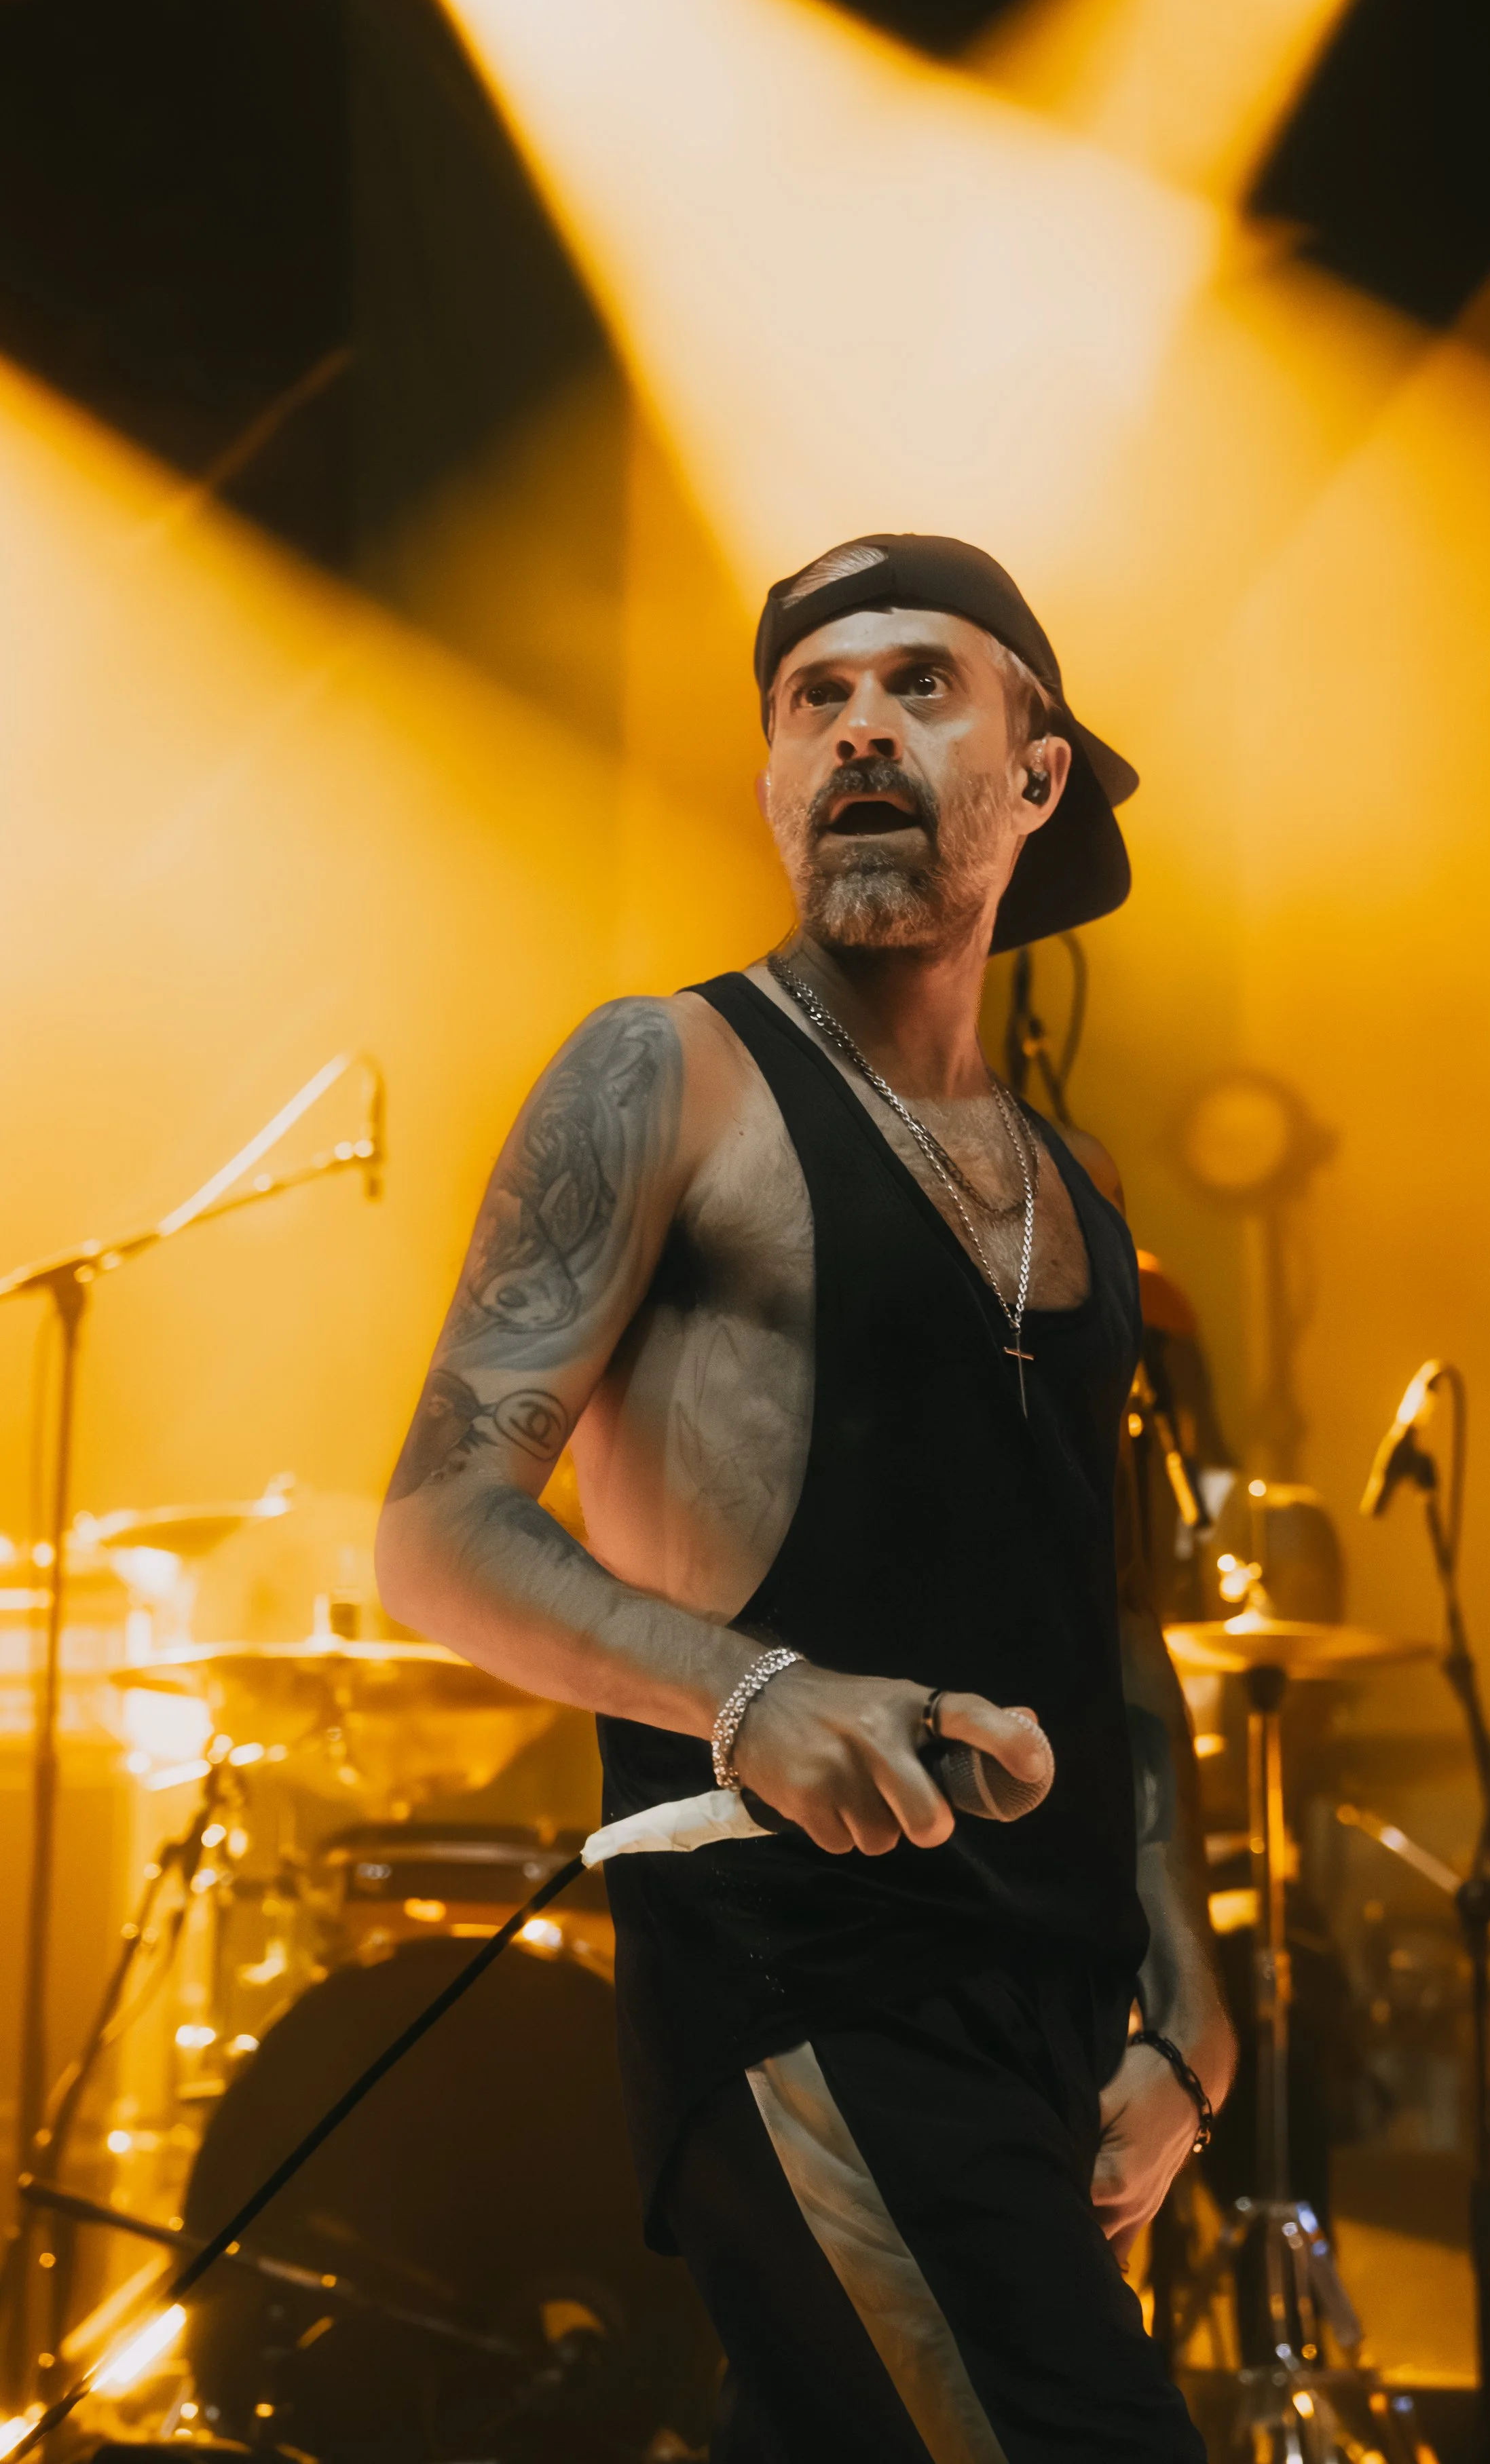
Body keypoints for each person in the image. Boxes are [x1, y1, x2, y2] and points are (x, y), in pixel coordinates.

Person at [376, 533, 1234, 2463]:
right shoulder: (661, 1075)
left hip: (1051, 2019)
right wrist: (757, 1700)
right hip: (806, 1993)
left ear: (1036, 774)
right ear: (772, 783)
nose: (856, 725)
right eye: (812, 697)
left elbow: (1110, 1619)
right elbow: (434, 1532)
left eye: (920, 682)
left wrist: (1185, 1991)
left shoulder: (1073, 1181)